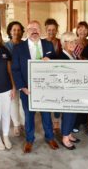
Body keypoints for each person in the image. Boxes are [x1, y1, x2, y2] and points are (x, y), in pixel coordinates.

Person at [11, 20, 59, 153]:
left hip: (45, 89)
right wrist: (22, 87)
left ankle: (50, 137)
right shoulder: (19, 48)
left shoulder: (48, 44)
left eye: (36, 28)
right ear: (26, 31)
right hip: (28, 90)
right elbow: (15, 69)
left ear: (40, 30)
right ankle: (29, 140)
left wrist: (51, 61)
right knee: (29, 116)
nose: (34, 31)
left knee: (46, 115)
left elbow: (56, 63)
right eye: (31, 28)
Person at [59, 32, 81, 150]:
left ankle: (69, 134)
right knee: (68, 114)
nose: (73, 44)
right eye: (69, 41)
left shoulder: (73, 55)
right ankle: (65, 138)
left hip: (74, 90)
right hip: (66, 92)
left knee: (73, 114)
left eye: (74, 41)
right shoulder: (61, 56)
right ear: (64, 43)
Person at [5, 21, 25, 137]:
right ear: (10, 32)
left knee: (23, 102)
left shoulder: (25, 44)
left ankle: (23, 123)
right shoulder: (5, 46)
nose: (16, 32)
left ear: (22, 32)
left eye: (18, 30)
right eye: (14, 30)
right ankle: (16, 124)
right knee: (13, 102)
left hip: (22, 78)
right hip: (10, 78)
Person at [72, 21, 88, 132]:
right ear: (77, 30)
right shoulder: (73, 42)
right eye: (80, 29)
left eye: (85, 29)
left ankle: (85, 121)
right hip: (76, 73)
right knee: (77, 98)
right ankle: (77, 122)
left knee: (87, 97)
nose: (82, 31)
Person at [44, 18, 62, 130]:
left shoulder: (61, 42)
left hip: (59, 75)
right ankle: (48, 122)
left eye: (53, 30)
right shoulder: (41, 43)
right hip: (47, 76)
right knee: (47, 99)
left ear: (56, 30)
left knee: (58, 98)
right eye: (49, 30)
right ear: (46, 30)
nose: (51, 32)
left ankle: (56, 121)